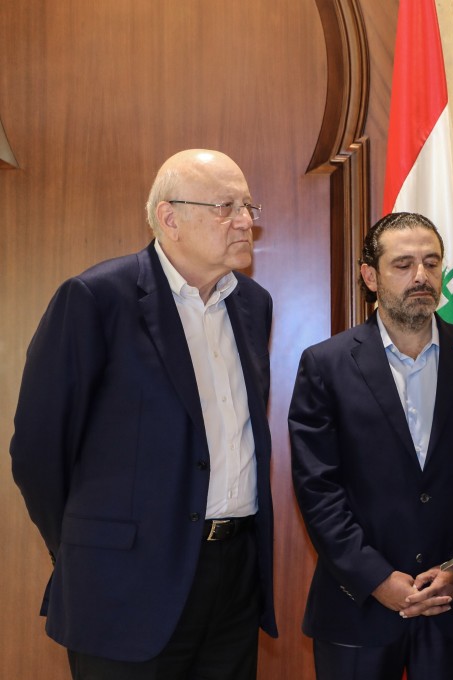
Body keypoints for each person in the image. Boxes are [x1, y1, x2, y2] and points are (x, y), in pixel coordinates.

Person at [10, 149, 277, 678]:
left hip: (233, 579)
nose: (246, 222)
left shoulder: (253, 303)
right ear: (169, 218)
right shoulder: (95, 299)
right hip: (123, 586)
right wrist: (87, 549)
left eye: (248, 206)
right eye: (226, 206)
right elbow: (38, 451)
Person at [288, 212, 453, 680]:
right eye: (403, 264)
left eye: (432, 263)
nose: (421, 277)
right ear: (370, 276)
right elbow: (318, 490)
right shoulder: (325, 365)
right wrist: (377, 579)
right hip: (357, 608)